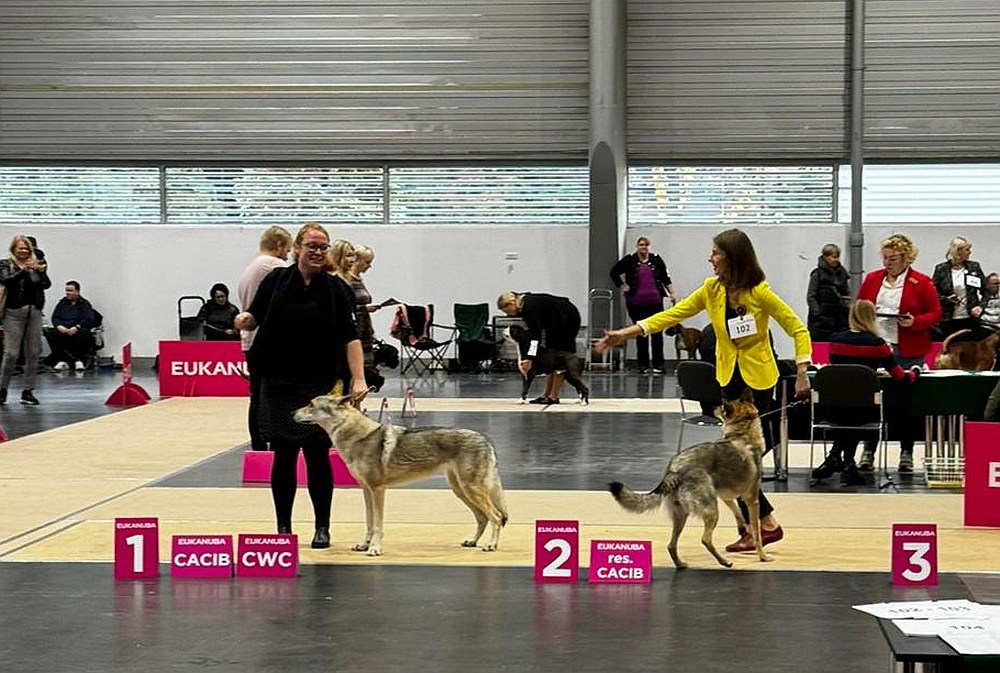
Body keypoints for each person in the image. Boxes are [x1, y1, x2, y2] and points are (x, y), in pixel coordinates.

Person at [596, 228, 811, 553]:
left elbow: (797, 328)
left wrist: (802, 371)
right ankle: (764, 526)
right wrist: (625, 333)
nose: (710, 258)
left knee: (738, 459)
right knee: (737, 460)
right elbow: (672, 314)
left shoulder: (760, 293)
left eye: (716, 253)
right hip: (728, 377)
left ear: (733, 257)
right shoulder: (711, 289)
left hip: (758, 381)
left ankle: (762, 525)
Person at [233, 223, 366, 548]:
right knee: (283, 454)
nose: (318, 252)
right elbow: (255, 315)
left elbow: (350, 337)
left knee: (318, 455)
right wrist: (244, 320)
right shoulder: (276, 280)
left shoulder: (336, 289)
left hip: (319, 384)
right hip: (278, 380)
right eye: (312, 246)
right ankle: (283, 527)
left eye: (323, 247)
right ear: (297, 248)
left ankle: (322, 527)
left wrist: (359, 377)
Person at [812, 299, 920, 487]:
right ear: (872, 318)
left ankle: (837, 458)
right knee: (857, 410)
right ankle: (845, 464)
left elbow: (842, 371)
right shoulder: (878, 345)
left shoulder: (835, 340)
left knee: (848, 409)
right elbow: (899, 376)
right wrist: (915, 372)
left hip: (833, 408)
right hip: (865, 409)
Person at [857, 233, 941, 473]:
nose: (887, 263)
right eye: (885, 258)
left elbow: (936, 313)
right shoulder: (872, 279)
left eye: (892, 259)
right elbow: (859, 306)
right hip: (875, 346)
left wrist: (915, 322)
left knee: (906, 403)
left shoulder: (921, 282)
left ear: (906, 258)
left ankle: (906, 452)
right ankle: (868, 451)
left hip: (909, 349)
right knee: (872, 401)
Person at [236, 225, 292, 451]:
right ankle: (275, 441)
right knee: (274, 395)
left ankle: (258, 444)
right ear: (278, 245)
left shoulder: (251, 267)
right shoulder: (274, 266)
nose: (288, 254)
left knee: (257, 395)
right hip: (267, 341)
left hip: (250, 340)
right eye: (288, 248)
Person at [497, 291, 581, 404]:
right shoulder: (523, 305)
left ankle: (553, 396)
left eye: (507, 311)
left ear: (511, 303)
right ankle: (546, 394)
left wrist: (530, 358)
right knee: (551, 355)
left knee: (560, 356)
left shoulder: (528, 309)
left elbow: (535, 336)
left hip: (567, 318)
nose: (508, 315)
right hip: (555, 321)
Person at [609, 236, 677, 373]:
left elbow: (665, 277)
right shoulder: (629, 260)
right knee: (641, 332)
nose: (643, 247)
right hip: (636, 303)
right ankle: (643, 365)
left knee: (657, 333)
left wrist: (672, 294)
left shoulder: (656, 259)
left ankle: (658, 365)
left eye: (646, 245)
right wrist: (622, 285)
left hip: (655, 302)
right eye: (641, 245)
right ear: (637, 247)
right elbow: (614, 272)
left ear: (649, 247)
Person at [0, 235, 51, 405]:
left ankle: (28, 391)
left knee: (34, 352)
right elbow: (6, 280)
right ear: (14, 249)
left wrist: (41, 272)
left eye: (26, 248)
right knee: (11, 353)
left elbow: (46, 285)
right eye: (20, 248)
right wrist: (23, 271)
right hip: (13, 313)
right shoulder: (6, 264)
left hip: (34, 311)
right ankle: (2, 389)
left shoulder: (37, 264)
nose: (24, 251)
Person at [347, 245, 397, 391]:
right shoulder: (346, 280)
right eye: (367, 262)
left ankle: (358, 399)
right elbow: (346, 307)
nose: (369, 266)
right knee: (354, 368)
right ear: (357, 260)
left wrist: (371, 329)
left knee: (365, 367)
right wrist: (364, 309)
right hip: (354, 329)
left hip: (364, 327)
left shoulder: (358, 279)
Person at [931, 236, 987, 338]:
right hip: (948, 320)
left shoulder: (974, 267)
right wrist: (946, 299)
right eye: (967, 250)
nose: (970, 252)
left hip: (970, 318)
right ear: (957, 251)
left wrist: (980, 306)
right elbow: (932, 293)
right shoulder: (941, 269)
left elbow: (986, 290)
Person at [43, 280, 97, 371]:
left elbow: (88, 319)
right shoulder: (62, 303)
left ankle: (78, 360)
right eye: (67, 290)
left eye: (70, 291)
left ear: (77, 292)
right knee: (51, 334)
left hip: (77, 329)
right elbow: (55, 317)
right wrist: (59, 326)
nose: (68, 293)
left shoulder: (84, 304)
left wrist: (76, 327)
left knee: (84, 334)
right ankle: (63, 360)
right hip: (63, 328)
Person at [806, 243, 851, 342]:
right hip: (820, 323)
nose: (836, 260)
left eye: (837, 257)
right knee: (821, 347)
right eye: (833, 257)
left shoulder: (842, 274)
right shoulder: (817, 274)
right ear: (825, 257)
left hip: (839, 320)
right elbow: (811, 296)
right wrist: (818, 313)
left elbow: (846, 295)